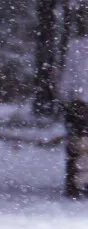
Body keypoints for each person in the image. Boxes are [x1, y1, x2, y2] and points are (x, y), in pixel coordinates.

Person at [61, 2, 88, 199]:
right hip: (80, 103)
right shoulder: (76, 47)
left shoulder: (76, 47)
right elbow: (68, 77)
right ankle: (77, 183)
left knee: (78, 146)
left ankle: (75, 184)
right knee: (78, 145)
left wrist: (65, 96)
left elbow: (67, 78)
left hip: (80, 103)